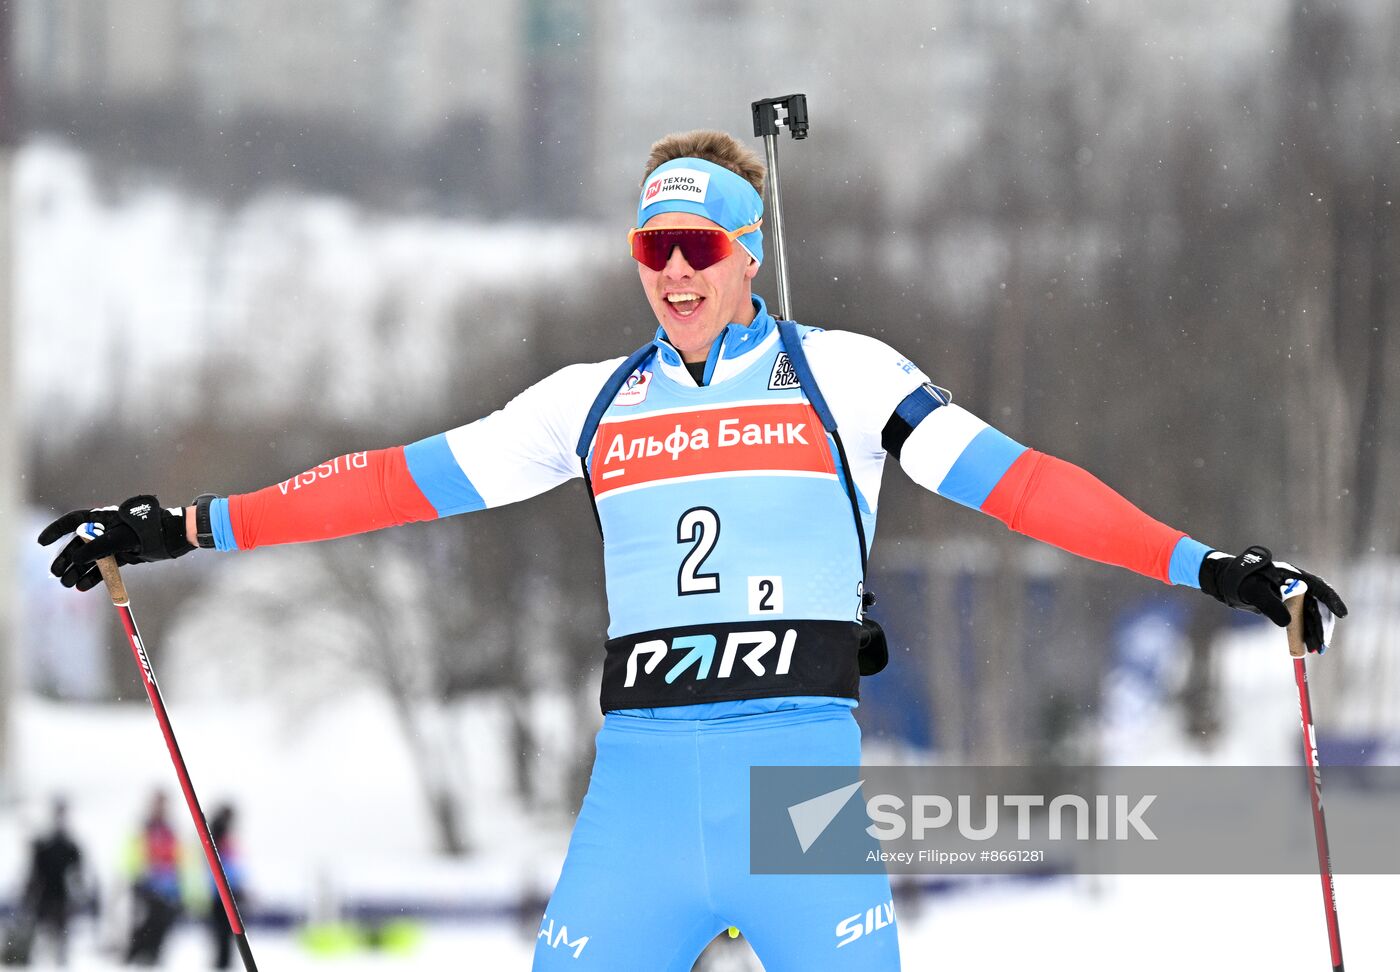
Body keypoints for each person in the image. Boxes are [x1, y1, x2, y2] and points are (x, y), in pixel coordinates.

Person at [38, 129, 1346, 970]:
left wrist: (1213, 569)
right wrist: (183, 528)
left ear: (747, 251)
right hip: (642, 801)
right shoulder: (585, 403)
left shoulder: (847, 378)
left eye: (698, 246)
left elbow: (1025, 490)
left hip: (804, 799)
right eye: (651, 248)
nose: (672, 272)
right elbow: (389, 485)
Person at [18, 797, 85, 966]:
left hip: (61, 894)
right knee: (37, 931)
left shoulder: (70, 845)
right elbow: (34, 872)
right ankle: (27, 958)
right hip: (43, 894)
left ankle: (59, 960)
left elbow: (78, 873)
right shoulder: (43, 843)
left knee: (61, 934)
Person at [123, 792, 182, 966]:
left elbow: (176, 859)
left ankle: (153, 959)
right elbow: (133, 855)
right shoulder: (143, 828)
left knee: (162, 925)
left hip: (166, 888)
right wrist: (138, 877)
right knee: (143, 925)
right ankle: (133, 959)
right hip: (146, 885)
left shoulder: (170, 830)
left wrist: (176, 885)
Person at [204, 805, 245, 970]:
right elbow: (224, 866)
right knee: (223, 931)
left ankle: (223, 963)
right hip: (220, 892)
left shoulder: (222, 835)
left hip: (225, 890)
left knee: (225, 932)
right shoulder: (218, 834)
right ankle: (222, 964)